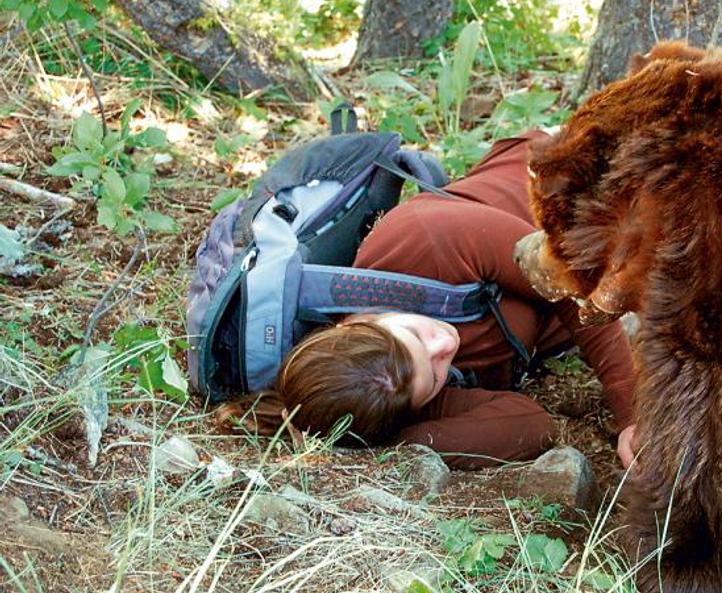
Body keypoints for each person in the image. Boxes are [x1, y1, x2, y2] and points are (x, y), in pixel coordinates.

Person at [217, 130, 637, 470]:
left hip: (577, 178)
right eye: (436, 375)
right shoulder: (397, 389)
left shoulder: (425, 239)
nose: (445, 347)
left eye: (417, 336)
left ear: (352, 322)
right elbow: (528, 423)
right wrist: (396, 442)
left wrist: (632, 415)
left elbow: (572, 289)